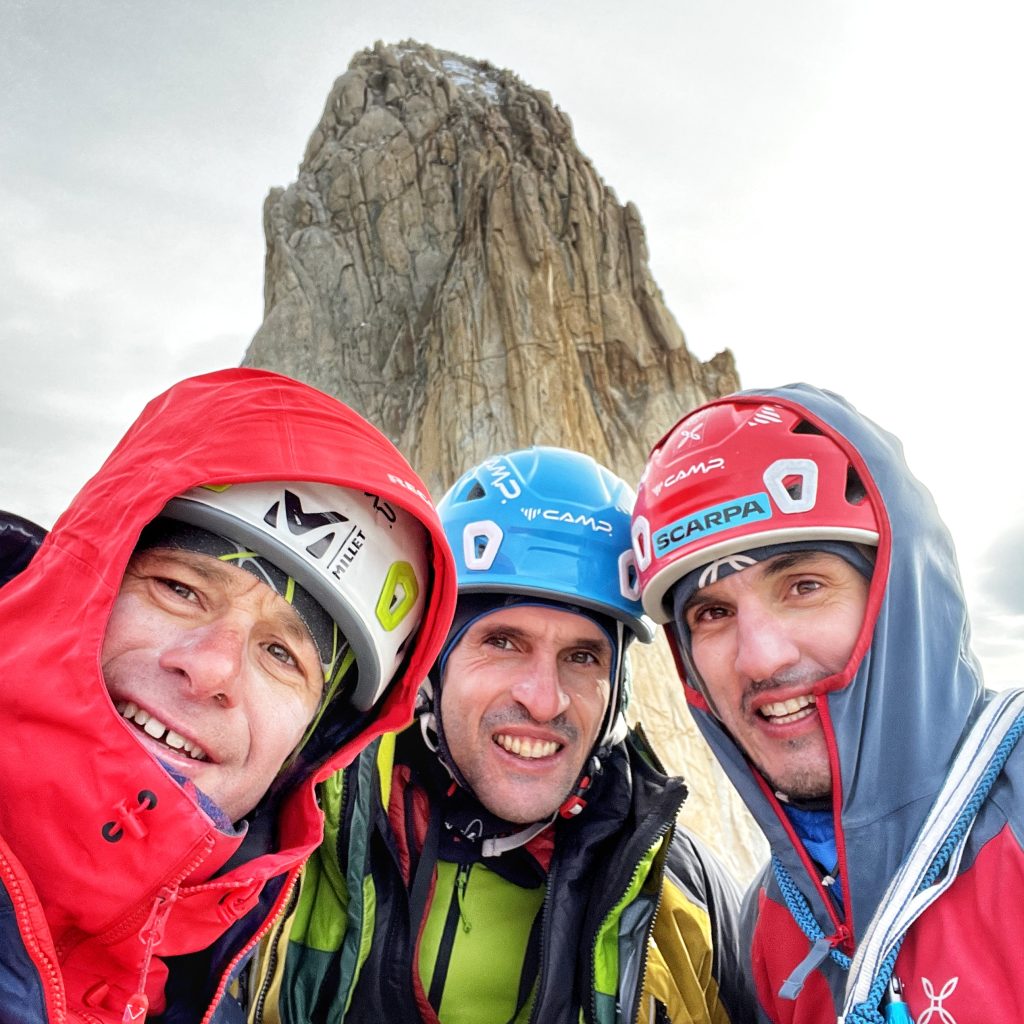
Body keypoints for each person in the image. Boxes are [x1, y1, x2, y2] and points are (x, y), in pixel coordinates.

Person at [0, 368, 457, 1024]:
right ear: (82, 583)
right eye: (179, 589)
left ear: (308, 749)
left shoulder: (215, 985)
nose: (211, 669)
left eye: (281, 654)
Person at [254, 446, 753, 1024]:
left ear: (616, 691)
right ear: (431, 666)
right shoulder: (288, 842)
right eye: (502, 642)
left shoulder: (681, 895)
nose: (544, 699)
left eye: (583, 656)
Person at [631, 382, 1024, 1024]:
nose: (759, 657)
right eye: (712, 613)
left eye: (803, 585)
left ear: (896, 598)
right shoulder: (770, 927)